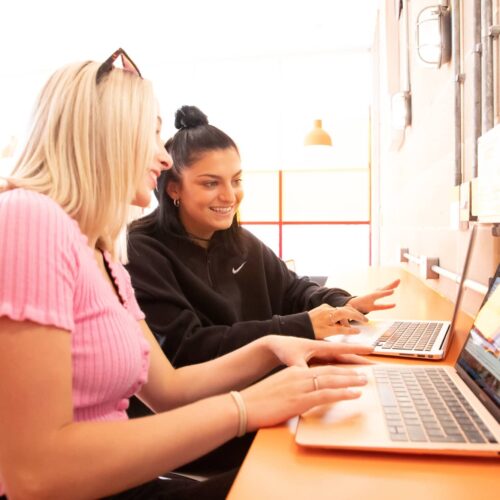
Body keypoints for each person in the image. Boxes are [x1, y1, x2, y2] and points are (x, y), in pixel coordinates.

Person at [0, 50, 373, 500]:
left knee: (324, 476)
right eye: (151, 134)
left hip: (129, 483)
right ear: (105, 136)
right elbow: (36, 473)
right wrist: (246, 406)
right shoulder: (26, 217)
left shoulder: (102, 251)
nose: (162, 157)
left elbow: (169, 389)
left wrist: (270, 347)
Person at [126, 105, 400, 370]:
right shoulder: (141, 249)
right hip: (208, 406)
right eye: (211, 183)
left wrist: (343, 303)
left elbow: (293, 291)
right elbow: (189, 348)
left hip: (267, 386)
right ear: (173, 188)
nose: (230, 196)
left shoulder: (241, 242)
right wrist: (301, 325)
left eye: (236, 180)